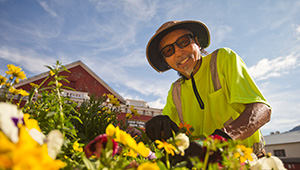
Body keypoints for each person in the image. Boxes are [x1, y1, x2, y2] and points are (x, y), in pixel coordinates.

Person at [145, 20, 271, 157]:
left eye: (183, 42)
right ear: (166, 61)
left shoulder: (222, 59)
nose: (179, 52)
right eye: (169, 50)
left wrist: (221, 139)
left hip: (248, 161)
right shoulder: (175, 91)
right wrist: (155, 130)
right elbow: (175, 138)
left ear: (197, 43)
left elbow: (262, 110)